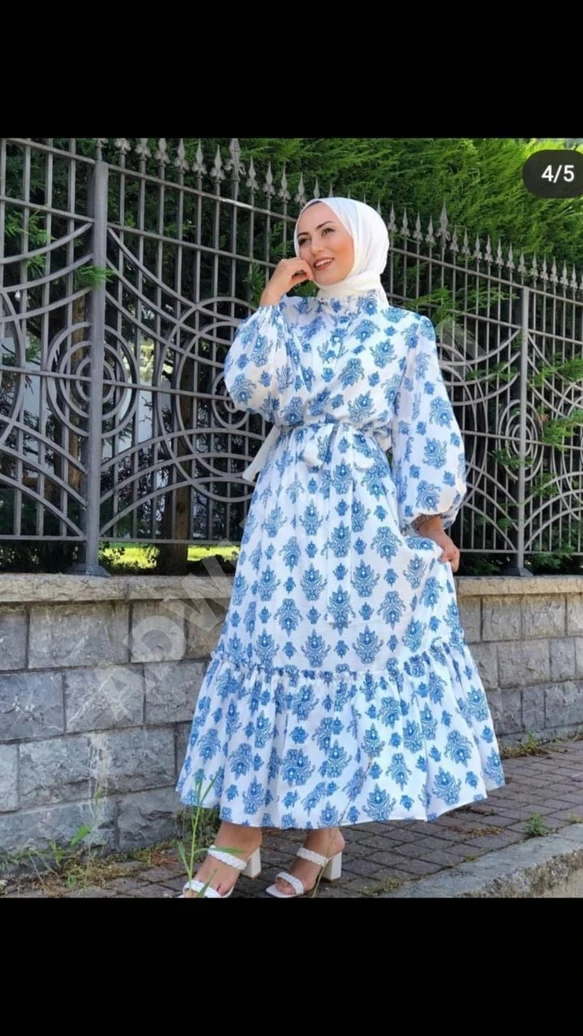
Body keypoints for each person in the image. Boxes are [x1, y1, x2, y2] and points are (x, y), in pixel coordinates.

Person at [176, 196, 505, 899]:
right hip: (285, 512)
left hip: (360, 516)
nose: (313, 246)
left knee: (337, 661)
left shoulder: (403, 331)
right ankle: (253, 833)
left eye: (328, 232)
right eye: (302, 237)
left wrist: (431, 521)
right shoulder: (289, 319)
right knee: (273, 645)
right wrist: (271, 300)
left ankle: (311, 839)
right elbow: (247, 389)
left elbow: (424, 424)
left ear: (363, 238)